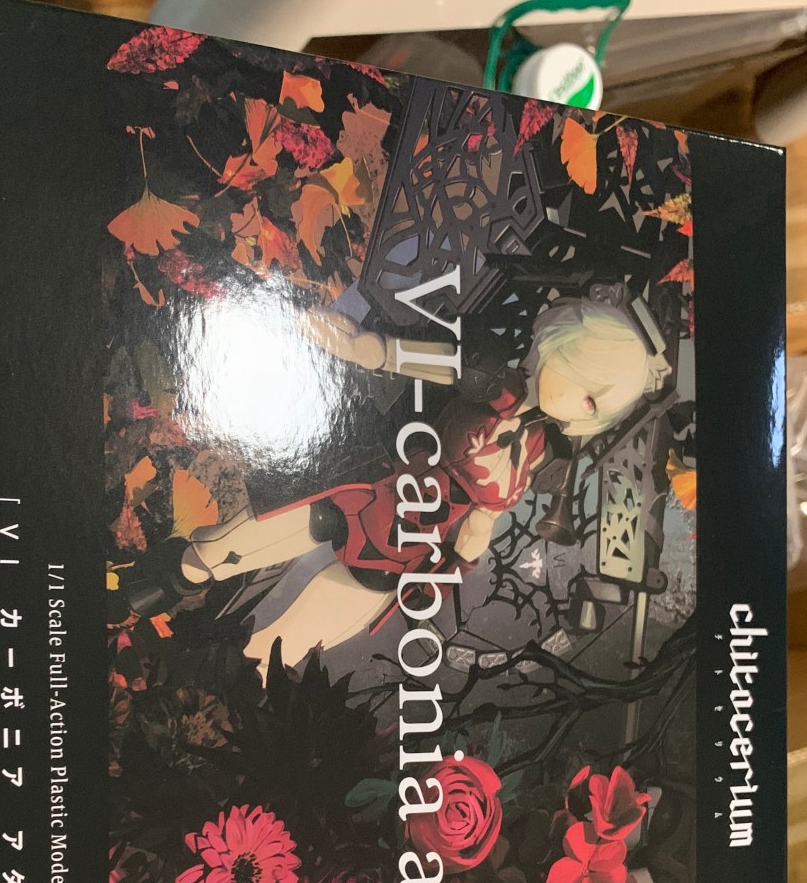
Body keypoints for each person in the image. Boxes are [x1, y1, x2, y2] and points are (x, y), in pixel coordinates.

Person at [128, 291, 670, 683]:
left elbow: (486, 517)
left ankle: (203, 680)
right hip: (370, 485)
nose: (583, 406)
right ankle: (162, 582)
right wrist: (367, 348)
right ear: (562, 344)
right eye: (586, 384)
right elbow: (431, 364)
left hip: (408, 545)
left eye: (596, 405)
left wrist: (463, 551)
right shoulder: (495, 381)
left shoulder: (540, 454)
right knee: (231, 547)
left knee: (288, 644)